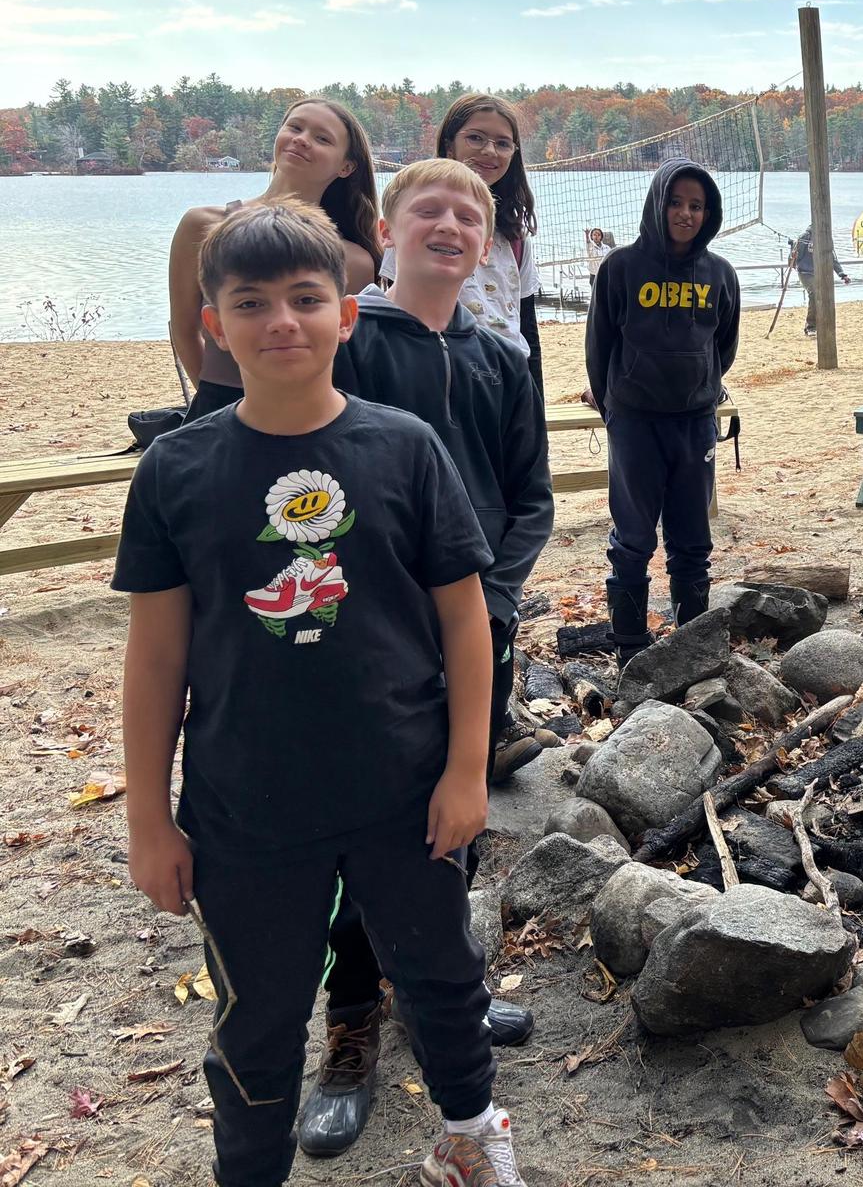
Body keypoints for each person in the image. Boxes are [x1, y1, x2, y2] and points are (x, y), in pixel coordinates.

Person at [115, 200, 525, 1186]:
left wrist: (467, 769)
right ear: (215, 325)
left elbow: (465, 624)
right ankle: (250, 1170)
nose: (282, 322)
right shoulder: (177, 468)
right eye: (251, 303)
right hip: (244, 805)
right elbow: (156, 658)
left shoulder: (404, 450)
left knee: (441, 974)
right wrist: (147, 821)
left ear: (348, 315)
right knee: (257, 1014)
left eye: (307, 299)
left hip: (404, 785)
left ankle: (472, 1135)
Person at [298, 160, 555, 1158]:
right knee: (361, 828)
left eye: (470, 214)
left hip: (473, 630)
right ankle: (352, 1018)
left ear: (487, 244)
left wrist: (489, 601)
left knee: (455, 814)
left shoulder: (501, 361)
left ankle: (440, 989)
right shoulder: (353, 343)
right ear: (389, 228)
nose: (450, 224)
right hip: (364, 636)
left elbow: (528, 497)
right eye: (429, 209)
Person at [586, 159, 741, 662]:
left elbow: (725, 344)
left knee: (692, 537)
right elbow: (599, 345)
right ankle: (629, 641)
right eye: (676, 202)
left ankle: (691, 639)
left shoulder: (719, 273)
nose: (685, 213)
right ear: (657, 203)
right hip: (634, 422)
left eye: (696, 206)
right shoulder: (620, 268)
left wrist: (702, 384)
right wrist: (616, 408)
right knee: (632, 536)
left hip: (695, 423)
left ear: (708, 213)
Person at [167, 99, 379, 420]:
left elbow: (343, 358)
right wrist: (220, 402)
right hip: (218, 408)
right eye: (295, 127)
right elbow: (184, 329)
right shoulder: (201, 225)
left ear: (346, 167)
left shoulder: (356, 261)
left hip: (310, 416)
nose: (302, 139)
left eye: (322, 138)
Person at [379, 95, 545, 397]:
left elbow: (527, 326)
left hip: (504, 382)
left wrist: (535, 401)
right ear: (448, 144)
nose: (489, 150)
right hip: (432, 377)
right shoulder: (415, 223)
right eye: (475, 138)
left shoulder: (516, 235)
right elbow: (393, 308)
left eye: (503, 143)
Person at [789, 230, 851, 337]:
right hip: (805, 272)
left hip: (821, 273)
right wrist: (793, 256)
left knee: (826, 296)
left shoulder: (826, 238)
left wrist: (842, 274)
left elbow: (832, 258)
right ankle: (810, 326)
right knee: (814, 294)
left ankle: (823, 323)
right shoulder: (805, 237)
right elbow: (794, 259)